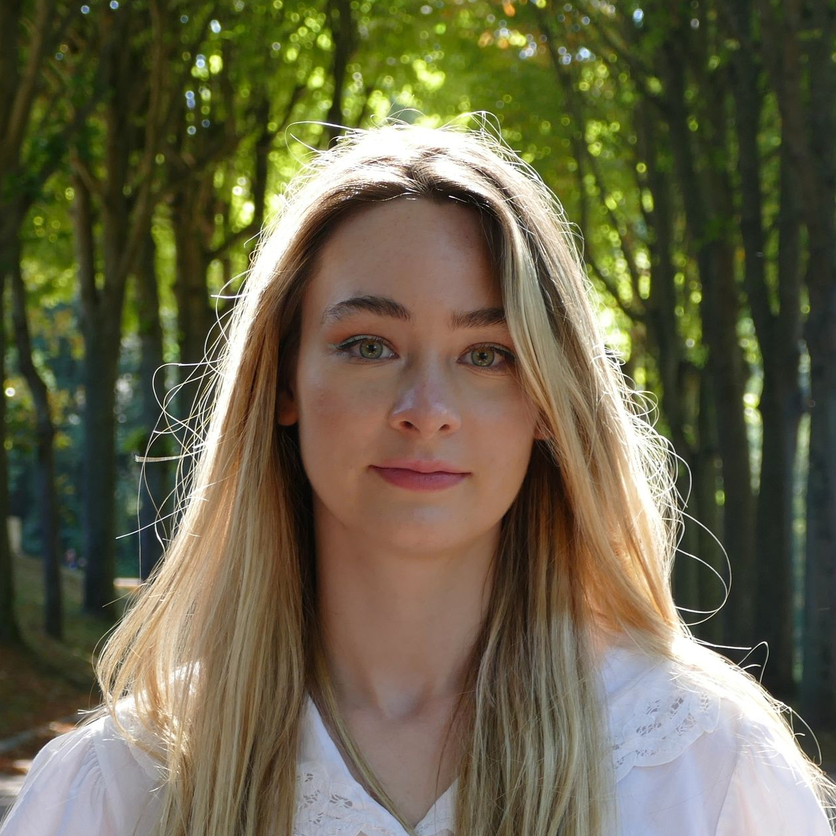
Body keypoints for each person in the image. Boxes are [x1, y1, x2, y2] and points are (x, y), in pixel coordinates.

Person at [2, 122, 833, 836]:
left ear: (550, 400)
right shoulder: (120, 785)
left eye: (487, 355)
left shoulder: (705, 769)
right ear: (284, 380)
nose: (427, 409)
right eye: (369, 345)